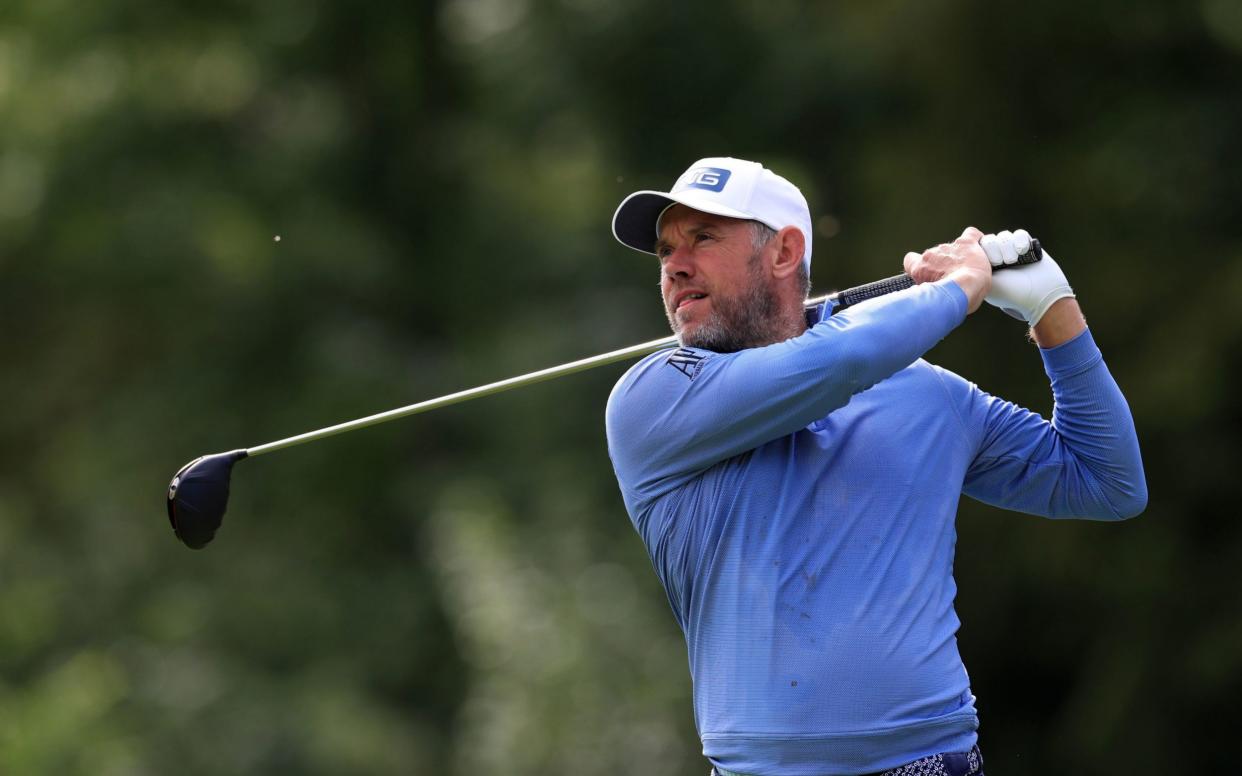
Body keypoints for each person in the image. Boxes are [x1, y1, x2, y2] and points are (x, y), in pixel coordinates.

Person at [604, 157, 1147, 776]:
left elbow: (1107, 481)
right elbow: (837, 363)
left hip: (927, 763)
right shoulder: (652, 400)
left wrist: (1052, 307)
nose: (675, 265)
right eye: (666, 251)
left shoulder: (927, 393)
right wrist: (958, 289)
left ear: (784, 253)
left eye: (702, 238)